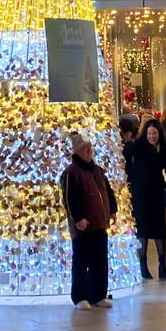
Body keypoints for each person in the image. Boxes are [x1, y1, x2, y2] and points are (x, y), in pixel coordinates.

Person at [61, 133, 117, 310]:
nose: (89, 151)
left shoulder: (97, 171)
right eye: (85, 149)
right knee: (81, 262)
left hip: (100, 224)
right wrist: (78, 218)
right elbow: (69, 198)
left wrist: (112, 210)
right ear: (77, 152)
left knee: (99, 261)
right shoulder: (71, 172)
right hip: (83, 227)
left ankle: (98, 294)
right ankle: (80, 297)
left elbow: (108, 192)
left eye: (89, 148)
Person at [124, 119, 166, 281]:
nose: (152, 136)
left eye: (154, 133)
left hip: (157, 192)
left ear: (159, 133)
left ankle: (162, 264)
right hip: (140, 193)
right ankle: (143, 265)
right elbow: (126, 156)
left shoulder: (164, 148)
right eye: (149, 133)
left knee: (159, 229)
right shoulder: (139, 146)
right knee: (142, 229)